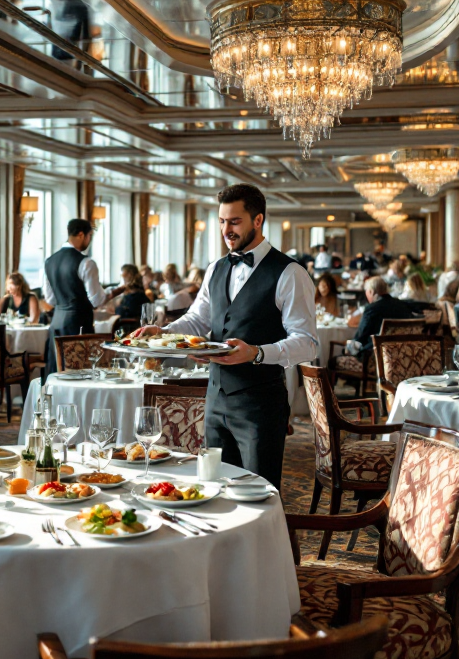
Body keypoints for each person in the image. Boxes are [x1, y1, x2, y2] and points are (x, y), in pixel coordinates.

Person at [132, 184, 318, 490]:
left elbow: (308, 342)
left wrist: (257, 352)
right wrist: (164, 332)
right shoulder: (215, 268)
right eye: (221, 221)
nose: (225, 230)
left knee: (258, 492)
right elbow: (198, 319)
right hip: (215, 399)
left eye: (234, 221)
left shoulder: (290, 273)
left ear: (258, 220)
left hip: (260, 403)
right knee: (215, 488)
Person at [42, 218, 107, 376]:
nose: (89, 241)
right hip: (79, 323)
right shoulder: (86, 263)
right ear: (81, 235)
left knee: (57, 370)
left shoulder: (49, 262)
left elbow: (50, 299)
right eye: (89, 236)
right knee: (80, 372)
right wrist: (109, 293)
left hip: (57, 323)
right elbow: (96, 300)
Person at [340, 276, 414, 357]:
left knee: (336, 359)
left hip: (376, 357)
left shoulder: (372, 309)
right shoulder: (403, 306)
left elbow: (360, 337)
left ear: (371, 292)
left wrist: (346, 348)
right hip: (403, 355)